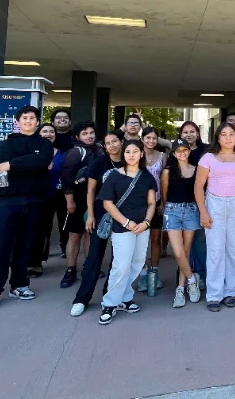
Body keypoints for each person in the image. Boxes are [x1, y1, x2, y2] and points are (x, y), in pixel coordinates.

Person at [0, 106, 54, 313]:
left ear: (38, 122)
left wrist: (12, 166)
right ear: (18, 121)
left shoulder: (43, 143)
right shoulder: (8, 143)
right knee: (2, 247)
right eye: (25, 118)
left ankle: (20, 285)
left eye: (33, 118)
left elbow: (41, 162)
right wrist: (27, 164)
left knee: (26, 246)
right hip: (8, 201)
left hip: (34, 201)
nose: (29, 121)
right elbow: (28, 162)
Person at [195, 123, 235, 311]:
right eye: (224, 134)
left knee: (234, 250)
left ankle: (230, 291)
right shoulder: (208, 158)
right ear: (217, 137)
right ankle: (214, 294)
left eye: (232, 134)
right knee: (215, 251)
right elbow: (199, 185)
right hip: (214, 204)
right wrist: (203, 212)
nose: (228, 138)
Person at [96, 139, 157, 325]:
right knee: (121, 266)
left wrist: (146, 222)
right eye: (128, 151)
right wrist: (126, 222)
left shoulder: (147, 177)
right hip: (122, 228)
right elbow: (107, 203)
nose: (131, 155)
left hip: (142, 228)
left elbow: (152, 203)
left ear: (141, 154)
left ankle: (125, 298)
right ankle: (109, 303)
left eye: (135, 151)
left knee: (137, 263)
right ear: (124, 155)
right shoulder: (114, 176)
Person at [70, 130, 125, 316]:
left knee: (118, 260)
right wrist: (91, 215)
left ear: (121, 142)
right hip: (101, 214)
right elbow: (90, 191)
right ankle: (81, 299)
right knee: (94, 256)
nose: (112, 145)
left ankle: (110, 297)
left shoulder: (129, 161)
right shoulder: (98, 163)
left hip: (123, 216)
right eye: (108, 143)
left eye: (115, 141)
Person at [59, 121, 104, 289]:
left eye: (91, 132)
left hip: (95, 200)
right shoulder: (75, 152)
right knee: (75, 235)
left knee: (89, 234)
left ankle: (89, 266)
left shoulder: (99, 150)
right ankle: (71, 270)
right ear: (78, 136)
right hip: (77, 201)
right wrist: (70, 202)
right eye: (85, 133)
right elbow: (66, 179)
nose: (89, 136)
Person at [161, 139, 203, 308]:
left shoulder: (196, 169)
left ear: (189, 150)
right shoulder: (167, 171)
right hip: (172, 211)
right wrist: (166, 210)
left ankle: (180, 288)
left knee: (185, 252)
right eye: (178, 150)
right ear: (173, 153)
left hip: (191, 210)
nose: (182, 153)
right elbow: (164, 195)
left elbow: (199, 191)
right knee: (178, 253)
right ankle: (192, 280)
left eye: (185, 149)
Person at [29, 124, 67, 277]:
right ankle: (36, 262)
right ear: (39, 134)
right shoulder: (33, 153)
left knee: (66, 227)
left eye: (52, 131)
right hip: (41, 196)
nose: (48, 134)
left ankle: (69, 259)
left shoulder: (63, 154)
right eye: (45, 131)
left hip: (62, 195)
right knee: (41, 230)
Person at [137, 126, 169, 293]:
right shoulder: (135, 154)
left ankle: (154, 272)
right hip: (138, 204)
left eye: (154, 138)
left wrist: (163, 203)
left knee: (155, 239)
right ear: (142, 139)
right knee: (140, 241)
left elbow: (164, 182)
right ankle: (142, 273)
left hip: (156, 203)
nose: (150, 141)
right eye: (147, 138)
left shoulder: (163, 156)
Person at [180, 120, 208, 288]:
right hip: (183, 202)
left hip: (203, 200)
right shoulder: (178, 151)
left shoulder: (206, 151)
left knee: (200, 239)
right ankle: (186, 274)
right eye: (185, 132)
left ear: (198, 133)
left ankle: (202, 275)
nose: (189, 134)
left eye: (192, 131)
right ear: (181, 135)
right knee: (186, 241)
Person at [49, 109, 72, 256]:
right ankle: (42, 253)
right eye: (58, 118)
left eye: (65, 118)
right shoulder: (48, 136)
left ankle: (65, 246)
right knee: (44, 220)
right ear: (53, 122)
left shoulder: (74, 138)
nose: (62, 120)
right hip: (47, 185)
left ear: (70, 121)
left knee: (65, 218)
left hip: (67, 185)